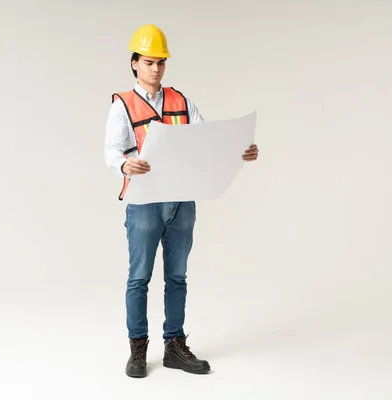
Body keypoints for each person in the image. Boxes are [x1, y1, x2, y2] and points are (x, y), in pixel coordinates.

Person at [104, 24, 259, 378]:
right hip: (144, 203)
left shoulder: (182, 101)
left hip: (181, 201)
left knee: (177, 276)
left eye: (160, 62)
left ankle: (174, 346)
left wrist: (239, 152)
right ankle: (138, 350)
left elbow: (205, 140)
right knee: (138, 277)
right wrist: (124, 163)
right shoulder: (122, 105)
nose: (155, 68)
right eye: (148, 62)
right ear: (134, 64)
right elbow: (111, 151)